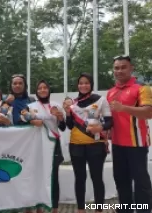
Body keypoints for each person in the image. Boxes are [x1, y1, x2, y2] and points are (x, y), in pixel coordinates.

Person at [107, 55, 152, 213]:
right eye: (116, 68)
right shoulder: (111, 92)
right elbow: (109, 119)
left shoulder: (142, 88)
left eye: (123, 67)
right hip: (117, 144)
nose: (119, 71)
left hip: (137, 144)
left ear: (131, 68)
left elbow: (148, 112)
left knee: (141, 183)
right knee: (121, 181)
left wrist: (124, 108)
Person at [63, 73, 112, 213]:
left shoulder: (101, 100)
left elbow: (109, 121)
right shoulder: (73, 103)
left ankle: (99, 210)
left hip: (95, 145)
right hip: (76, 145)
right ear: (77, 85)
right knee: (80, 179)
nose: (83, 85)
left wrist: (101, 127)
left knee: (97, 178)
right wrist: (67, 113)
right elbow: (70, 126)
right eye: (81, 83)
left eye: (86, 83)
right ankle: (80, 210)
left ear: (91, 85)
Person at [28, 80, 66, 213]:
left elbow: (62, 127)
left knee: (53, 178)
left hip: (53, 144)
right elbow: (27, 125)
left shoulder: (56, 105)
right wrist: (31, 120)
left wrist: (60, 118)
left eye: (45, 88)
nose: (43, 90)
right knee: (38, 176)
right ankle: (39, 208)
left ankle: (54, 208)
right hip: (37, 146)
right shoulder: (31, 106)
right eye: (40, 88)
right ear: (36, 91)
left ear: (49, 90)